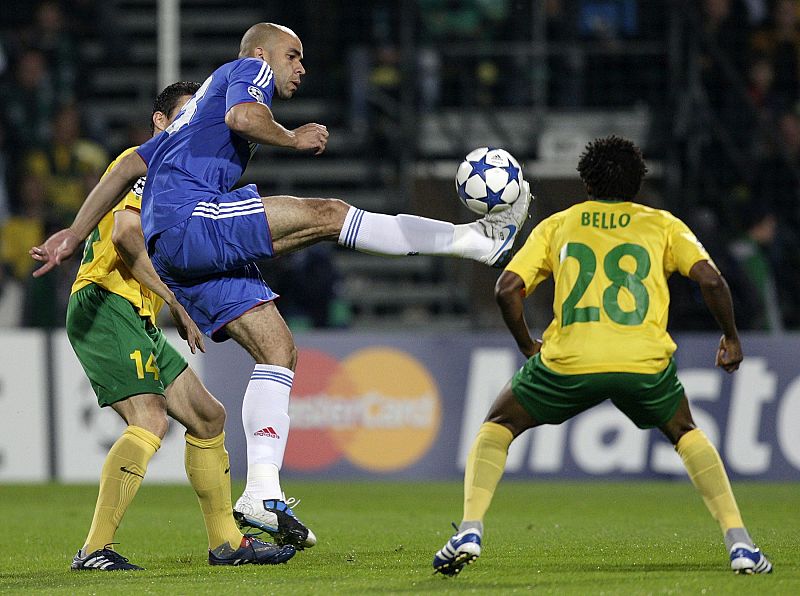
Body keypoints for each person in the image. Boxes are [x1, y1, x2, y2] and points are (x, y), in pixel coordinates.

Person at [30, 22, 532, 551]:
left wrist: (74, 231)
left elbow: (129, 163)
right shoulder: (250, 69)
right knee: (329, 214)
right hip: (190, 220)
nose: (301, 67)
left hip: (177, 248)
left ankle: (262, 492)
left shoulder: (188, 120)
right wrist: (294, 137)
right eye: (294, 56)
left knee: (278, 350)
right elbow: (243, 115)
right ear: (263, 53)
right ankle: (477, 242)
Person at [432, 136, 773, 577]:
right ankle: (740, 543)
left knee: (499, 425)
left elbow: (507, 290)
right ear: (639, 182)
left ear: (586, 180)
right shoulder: (663, 224)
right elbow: (711, 281)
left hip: (569, 360)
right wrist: (731, 337)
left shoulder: (560, 224)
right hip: (643, 362)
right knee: (685, 431)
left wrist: (526, 345)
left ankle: (471, 529)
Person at [68, 82, 295, 571]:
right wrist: (178, 302)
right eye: (186, 114)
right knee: (149, 419)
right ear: (159, 121)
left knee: (209, 418)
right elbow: (128, 235)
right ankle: (93, 550)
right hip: (105, 301)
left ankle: (226, 543)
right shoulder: (148, 166)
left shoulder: (178, 174)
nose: (196, 124)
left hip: (134, 311)